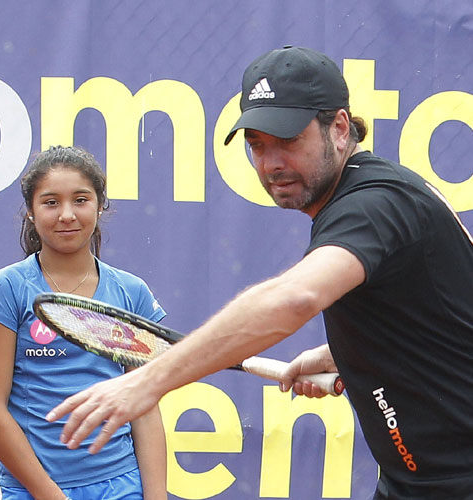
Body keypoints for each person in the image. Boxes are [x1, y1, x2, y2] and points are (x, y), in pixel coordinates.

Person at [47, 46, 473, 499]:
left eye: (288, 141)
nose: (271, 163)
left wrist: (146, 383)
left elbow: (294, 298)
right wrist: (351, 353)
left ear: (339, 128)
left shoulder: (372, 205)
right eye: (257, 145)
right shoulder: (374, 195)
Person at [0, 146, 168, 500]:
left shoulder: (131, 292)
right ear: (30, 211)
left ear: (100, 205)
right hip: (33, 491)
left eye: (80, 200)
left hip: (120, 487)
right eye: (50, 202)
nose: (67, 215)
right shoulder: (6, 288)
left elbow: (145, 407)